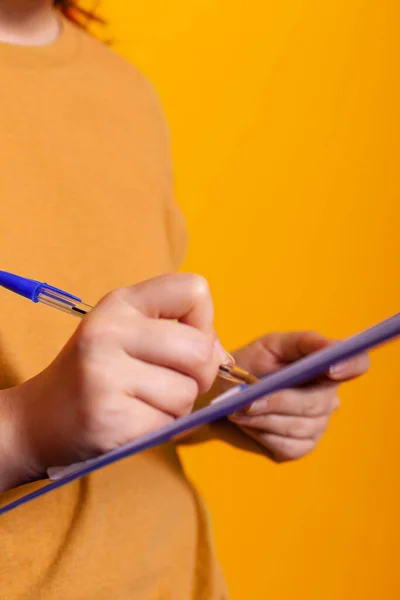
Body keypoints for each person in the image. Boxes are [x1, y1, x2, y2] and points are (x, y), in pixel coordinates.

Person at [0, 1, 369, 598]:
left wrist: (218, 390)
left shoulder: (123, 94)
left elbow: (96, 393)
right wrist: (21, 430)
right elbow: (49, 415)